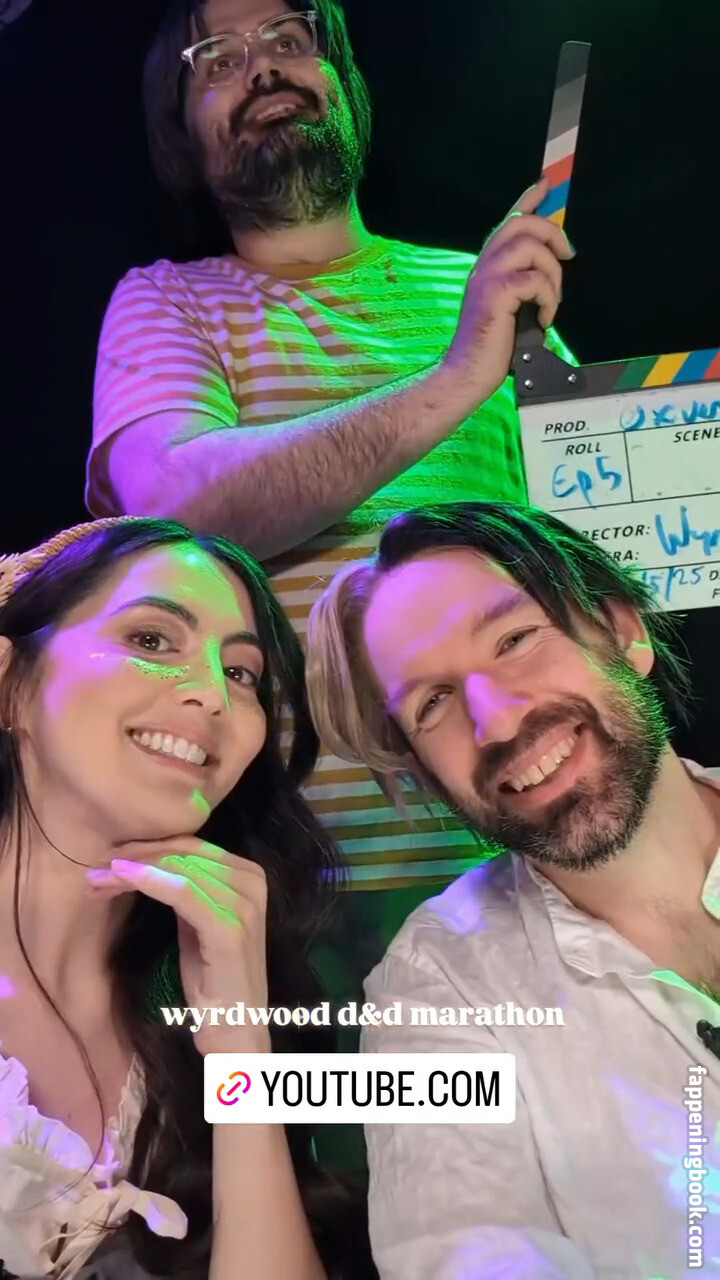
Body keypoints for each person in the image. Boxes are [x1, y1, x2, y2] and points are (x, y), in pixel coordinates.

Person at [86, 0, 576, 893]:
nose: (263, 67)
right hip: (285, 893)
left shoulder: (479, 289)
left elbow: (603, 554)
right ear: (181, 134)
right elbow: (174, 508)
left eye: (290, 39)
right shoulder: (163, 302)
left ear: (345, 85)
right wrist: (457, 376)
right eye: (217, 60)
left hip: (533, 860)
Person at [304, 500, 720, 1280]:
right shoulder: (431, 994)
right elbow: (465, 1248)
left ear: (624, 632)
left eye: (515, 639)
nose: (494, 722)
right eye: (432, 703)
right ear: (425, 774)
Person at [0, 517, 374, 1280]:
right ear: (10, 685)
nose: (211, 694)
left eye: (240, 673)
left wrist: (240, 1042)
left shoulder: (231, 1002)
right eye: (151, 639)